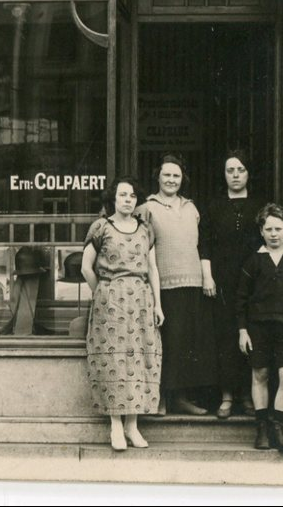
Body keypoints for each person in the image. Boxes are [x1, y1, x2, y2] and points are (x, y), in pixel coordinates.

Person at [199, 150, 283, 418]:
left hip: (254, 283)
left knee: (251, 341)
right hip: (221, 282)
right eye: (230, 170)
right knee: (226, 337)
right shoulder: (213, 205)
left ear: (248, 173)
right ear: (224, 174)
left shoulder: (259, 205)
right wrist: (207, 276)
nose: (235, 175)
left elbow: (275, 230)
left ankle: (248, 395)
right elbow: (205, 244)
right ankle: (227, 397)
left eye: (240, 170)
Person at [82, 177, 164, 451]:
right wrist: (102, 293)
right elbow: (85, 267)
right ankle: (115, 425)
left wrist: (158, 304)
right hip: (110, 303)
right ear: (113, 199)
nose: (128, 200)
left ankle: (133, 425)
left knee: (139, 360)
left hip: (141, 302)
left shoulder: (146, 230)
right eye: (122, 195)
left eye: (132, 196)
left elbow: (152, 269)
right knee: (113, 362)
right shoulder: (101, 227)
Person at [135, 154, 216, 415]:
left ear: (183, 179)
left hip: (193, 284)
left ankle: (181, 397)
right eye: (167, 175)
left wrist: (205, 277)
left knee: (189, 344)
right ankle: (161, 399)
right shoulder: (147, 208)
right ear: (158, 177)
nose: (171, 180)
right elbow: (143, 250)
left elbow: (201, 244)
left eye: (176, 176)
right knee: (168, 343)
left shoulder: (191, 207)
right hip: (164, 286)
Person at [236, 203, 283, 453]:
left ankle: (277, 426)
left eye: (279, 228)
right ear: (261, 231)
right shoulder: (254, 260)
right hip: (258, 327)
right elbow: (241, 299)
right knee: (261, 375)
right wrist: (242, 330)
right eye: (269, 229)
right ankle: (262, 429)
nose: (274, 234)